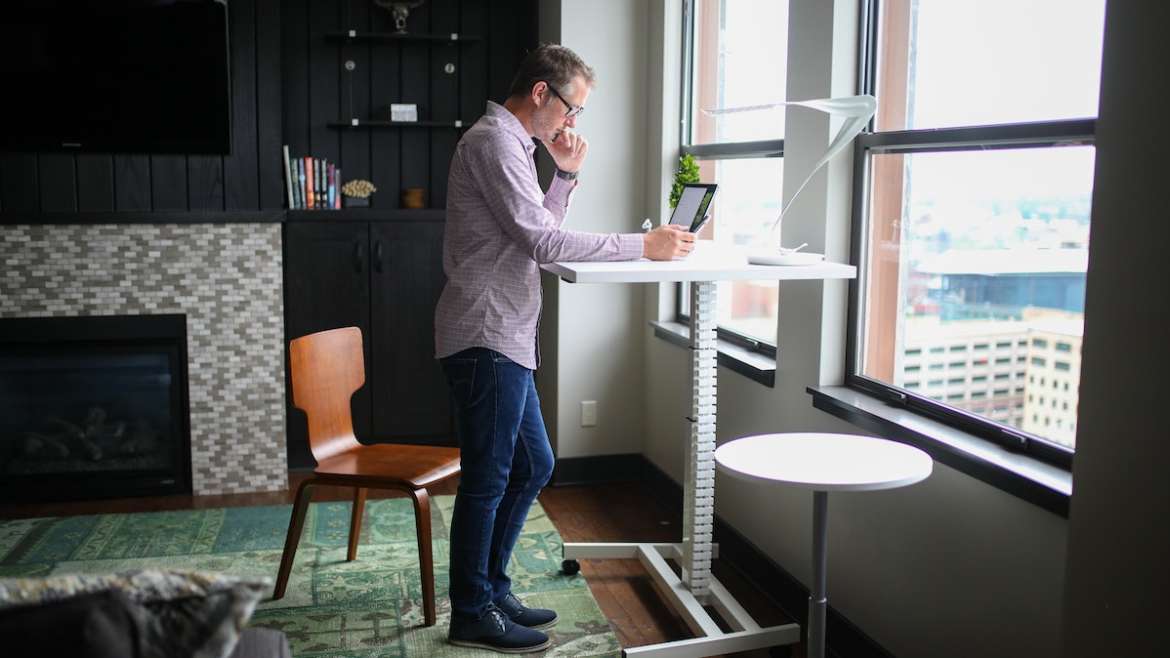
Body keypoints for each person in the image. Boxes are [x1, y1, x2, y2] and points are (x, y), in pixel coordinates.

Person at [434, 44, 694, 653]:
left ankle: (491, 588)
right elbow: (544, 244)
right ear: (542, 94)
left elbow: (533, 236)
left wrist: (566, 177)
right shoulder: (494, 143)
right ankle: (471, 610)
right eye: (573, 108)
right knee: (488, 479)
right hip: (485, 334)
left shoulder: (514, 147)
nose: (572, 124)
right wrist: (642, 245)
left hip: (504, 335)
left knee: (534, 465)